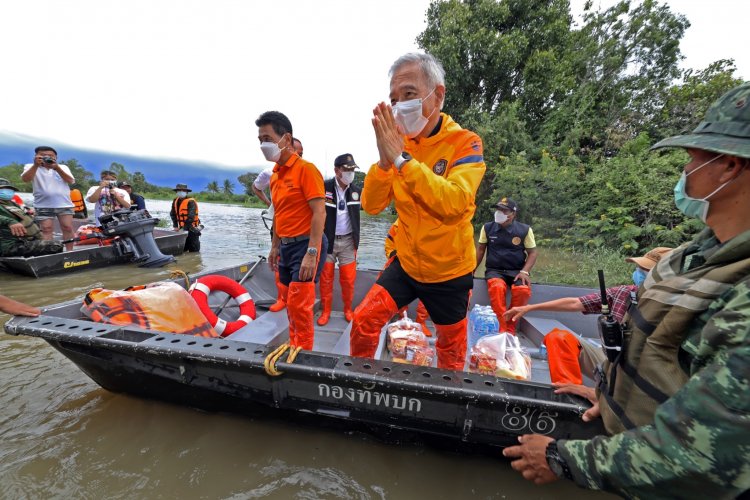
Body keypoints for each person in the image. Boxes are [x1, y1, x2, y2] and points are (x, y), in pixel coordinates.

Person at [503, 82, 750, 498]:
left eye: (693, 155)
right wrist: (611, 394)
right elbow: (669, 364)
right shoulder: (698, 254)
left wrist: (562, 457)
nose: (685, 167)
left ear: (729, 167)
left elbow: (701, 456)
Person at [350, 52, 486, 370]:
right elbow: (370, 205)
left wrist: (401, 161)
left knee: (450, 348)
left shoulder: (465, 143)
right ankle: (359, 385)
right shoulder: (401, 145)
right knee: (363, 321)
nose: (399, 106)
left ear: (437, 95)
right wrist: (385, 162)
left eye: (409, 94)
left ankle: (447, 405)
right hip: (408, 263)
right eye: (394, 99)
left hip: (449, 270)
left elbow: (454, 203)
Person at [504, 247, 672, 384]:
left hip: (645, 374)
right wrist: (529, 308)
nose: (639, 274)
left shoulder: (674, 308)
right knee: (558, 338)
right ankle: (568, 392)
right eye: (638, 269)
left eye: (646, 271)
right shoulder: (624, 292)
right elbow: (576, 303)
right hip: (610, 359)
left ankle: (605, 397)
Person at [256, 111, 326, 351]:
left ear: (285, 139)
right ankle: (294, 345)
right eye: (260, 140)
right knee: (289, 301)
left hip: (306, 245)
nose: (263, 145)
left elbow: (319, 212)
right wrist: (275, 246)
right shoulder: (275, 176)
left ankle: (303, 355)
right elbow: (279, 215)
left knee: (300, 305)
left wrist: (312, 252)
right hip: (285, 245)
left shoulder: (306, 170)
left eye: (267, 138)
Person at [252, 137, 305, 312]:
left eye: (301, 153)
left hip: (300, 227)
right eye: (295, 151)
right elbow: (256, 187)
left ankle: (294, 300)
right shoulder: (271, 173)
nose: (298, 155)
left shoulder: (306, 172)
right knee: (279, 261)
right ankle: (281, 298)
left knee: (299, 264)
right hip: (279, 225)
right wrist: (270, 205)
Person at [475, 197, 537, 334]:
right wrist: (471, 270)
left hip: (517, 271)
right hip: (494, 270)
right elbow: (480, 250)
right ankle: (501, 328)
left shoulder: (525, 230)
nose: (499, 212)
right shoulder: (487, 228)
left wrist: (525, 272)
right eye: (498, 209)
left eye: (504, 210)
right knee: (497, 287)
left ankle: (510, 327)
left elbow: (532, 253)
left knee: (523, 290)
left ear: (513, 214)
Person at [317, 153, 362, 325]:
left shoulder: (356, 191)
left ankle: (348, 309)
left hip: (349, 242)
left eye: (353, 170)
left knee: (349, 280)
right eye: (347, 169)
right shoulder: (323, 187)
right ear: (337, 170)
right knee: (326, 278)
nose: (350, 173)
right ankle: (326, 311)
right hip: (327, 241)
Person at [384, 218, 433, 336]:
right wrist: (394, 257)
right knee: (396, 284)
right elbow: (389, 244)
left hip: (426, 265)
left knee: (429, 291)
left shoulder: (434, 223)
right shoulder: (397, 225)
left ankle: (421, 322)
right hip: (404, 264)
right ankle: (403, 317)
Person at [21, 146, 75, 251]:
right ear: (36, 156)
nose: (47, 157)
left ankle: (70, 251)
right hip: (42, 204)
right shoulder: (30, 166)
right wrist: (36, 165)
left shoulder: (63, 167)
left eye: (51, 156)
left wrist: (57, 168)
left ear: (56, 157)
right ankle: (49, 253)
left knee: (67, 227)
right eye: (43, 155)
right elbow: (25, 179)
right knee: (46, 229)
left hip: (64, 203)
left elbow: (71, 181)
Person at [0, 178, 63, 257]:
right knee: (55, 246)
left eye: (9, 189)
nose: (7, 192)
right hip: (8, 245)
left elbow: (24, 214)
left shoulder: (11, 204)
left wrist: (30, 214)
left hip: (23, 241)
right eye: (3, 189)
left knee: (54, 244)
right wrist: (10, 221)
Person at [169, 183, 201, 252]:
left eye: (182, 190)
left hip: (192, 229)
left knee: (194, 251)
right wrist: (175, 226)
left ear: (186, 192)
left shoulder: (191, 202)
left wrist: (184, 229)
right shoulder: (175, 201)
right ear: (176, 192)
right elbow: (172, 214)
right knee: (183, 250)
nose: (180, 192)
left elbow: (191, 217)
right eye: (178, 191)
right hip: (181, 228)